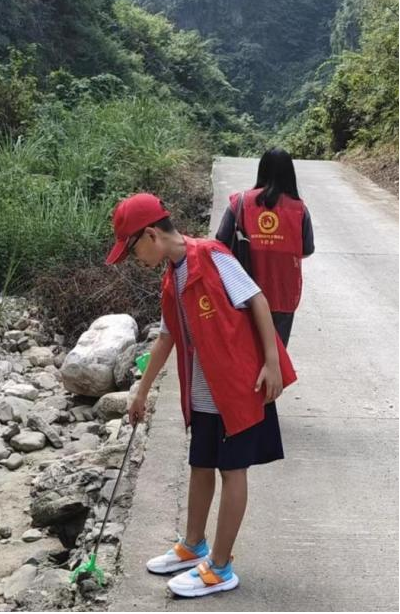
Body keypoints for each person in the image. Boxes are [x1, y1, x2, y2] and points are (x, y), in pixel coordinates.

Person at [106, 192, 297, 599]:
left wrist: (271, 362)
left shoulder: (212, 256)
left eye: (133, 250)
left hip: (239, 387)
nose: (135, 259)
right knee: (201, 464)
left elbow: (258, 299)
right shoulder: (172, 276)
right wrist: (141, 393)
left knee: (232, 470)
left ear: (151, 235)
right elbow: (167, 337)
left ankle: (221, 567)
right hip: (204, 391)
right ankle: (194, 545)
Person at [216, 147, 315, 347]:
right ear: (290, 174)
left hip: (243, 293)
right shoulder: (299, 210)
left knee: (245, 353)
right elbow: (307, 249)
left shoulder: (240, 203)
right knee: (277, 355)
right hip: (283, 294)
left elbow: (221, 241)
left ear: (262, 170)